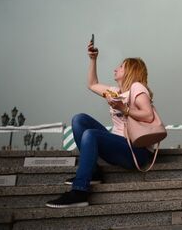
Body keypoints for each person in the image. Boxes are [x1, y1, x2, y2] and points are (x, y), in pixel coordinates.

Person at [46, 40, 155, 208]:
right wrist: (93, 59)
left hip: (136, 151)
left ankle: (80, 192)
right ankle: (94, 172)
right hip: (120, 146)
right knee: (79, 120)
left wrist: (123, 108)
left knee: (91, 134)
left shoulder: (137, 88)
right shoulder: (116, 92)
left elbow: (148, 115)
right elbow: (92, 84)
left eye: (121, 66)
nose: (115, 69)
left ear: (131, 71)